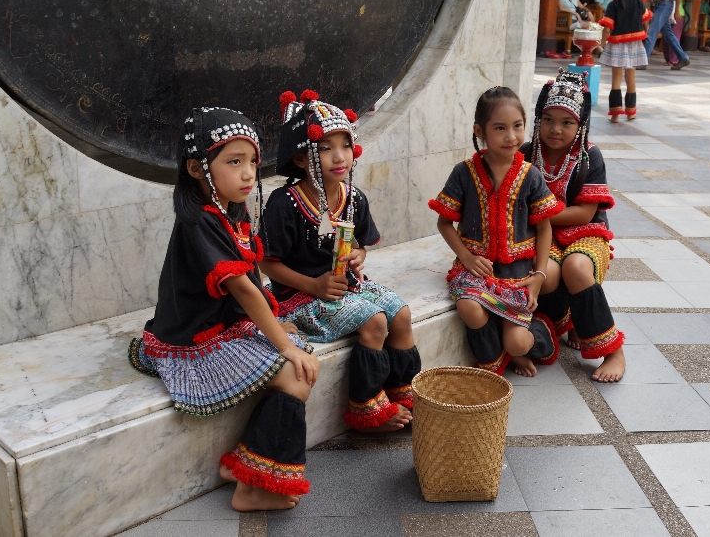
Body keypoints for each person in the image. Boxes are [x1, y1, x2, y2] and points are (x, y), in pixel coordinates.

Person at [128, 107, 319, 511]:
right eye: (234, 162)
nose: (250, 173)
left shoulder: (229, 209)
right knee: (295, 374)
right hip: (193, 339)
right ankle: (251, 487)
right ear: (197, 169)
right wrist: (283, 344)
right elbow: (244, 290)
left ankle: (246, 471)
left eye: (252, 161)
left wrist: (281, 333)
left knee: (302, 365)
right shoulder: (198, 222)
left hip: (224, 324)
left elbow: (252, 283)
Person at [261, 90, 421, 432]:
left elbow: (362, 247)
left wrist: (357, 256)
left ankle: (404, 390)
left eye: (345, 145)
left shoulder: (353, 198)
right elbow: (267, 265)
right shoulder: (284, 203)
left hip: (346, 288)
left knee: (402, 313)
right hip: (299, 298)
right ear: (302, 158)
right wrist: (314, 284)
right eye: (325, 147)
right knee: (376, 321)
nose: (339, 156)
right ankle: (367, 408)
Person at [428, 87, 561, 377]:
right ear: (480, 131)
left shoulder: (531, 176)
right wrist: (466, 257)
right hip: (478, 270)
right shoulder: (464, 172)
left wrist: (538, 276)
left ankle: (532, 340)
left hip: (519, 272)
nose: (511, 136)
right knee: (470, 309)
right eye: (499, 128)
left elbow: (543, 227)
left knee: (518, 342)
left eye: (517, 126)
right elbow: (443, 222)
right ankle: (497, 359)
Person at [521, 71, 627, 383]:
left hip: (585, 233)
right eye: (549, 119)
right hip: (543, 236)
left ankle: (614, 352)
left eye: (567, 122)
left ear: (580, 125)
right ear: (539, 118)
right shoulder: (527, 153)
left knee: (577, 267)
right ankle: (570, 321)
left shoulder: (589, 155)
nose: (556, 129)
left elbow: (584, 213)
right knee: (548, 273)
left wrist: (538, 215)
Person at [598, 0, 651, 119]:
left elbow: (607, 28)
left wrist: (601, 43)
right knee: (631, 78)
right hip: (635, 43)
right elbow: (645, 20)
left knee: (616, 80)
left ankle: (615, 116)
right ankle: (631, 113)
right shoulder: (638, 1)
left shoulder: (614, 4)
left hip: (618, 43)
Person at [642, 0, 691, 69]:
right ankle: (683, 57)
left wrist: (677, 10)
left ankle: (643, 61)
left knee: (652, 32)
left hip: (665, 4)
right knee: (668, 35)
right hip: (659, 4)